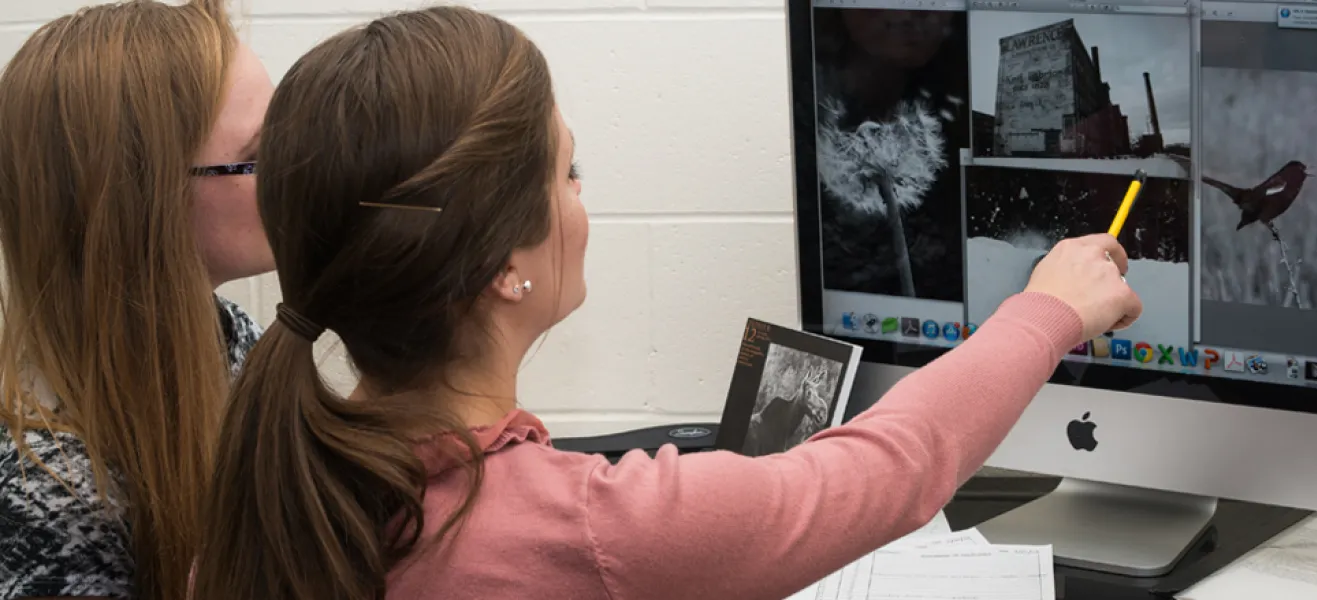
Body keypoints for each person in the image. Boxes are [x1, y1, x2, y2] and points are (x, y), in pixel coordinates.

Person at [189, 6, 1141, 600]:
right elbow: (887, 471)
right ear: (502, 267)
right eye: (569, 174)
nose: (581, 203)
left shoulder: (266, 505)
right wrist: (1047, 307)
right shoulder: (592, 534)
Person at [0, 1, 274, 599]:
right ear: (144, 202)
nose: (295, 168)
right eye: (258, 153)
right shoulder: (52, 498)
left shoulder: (232, 337)